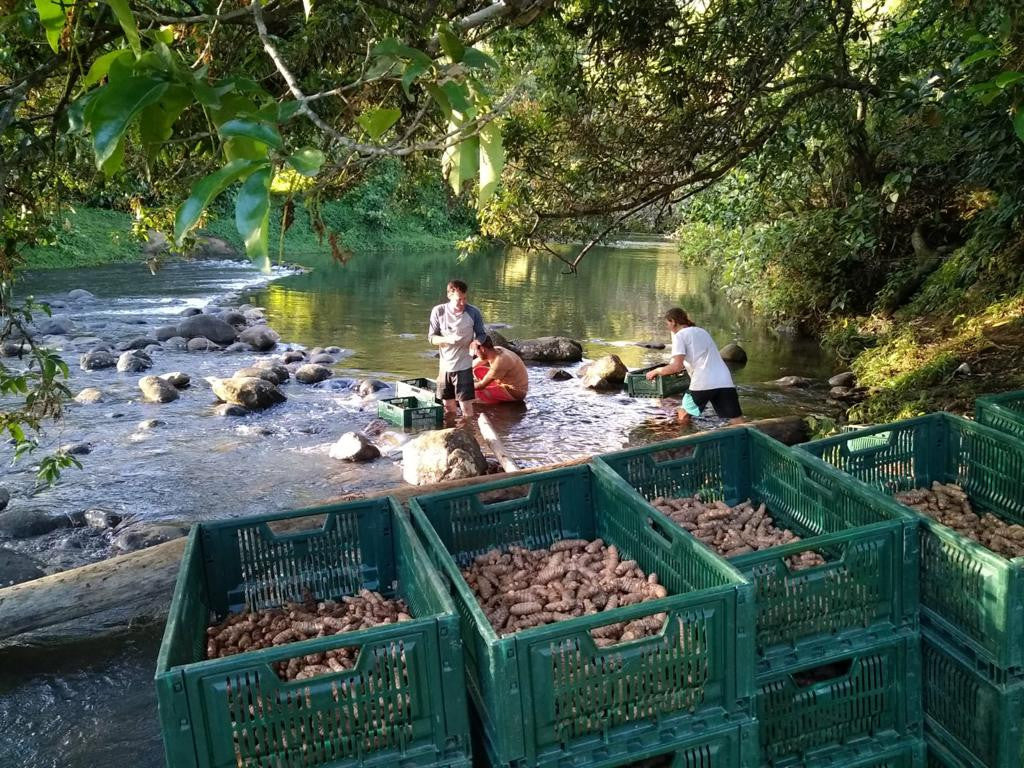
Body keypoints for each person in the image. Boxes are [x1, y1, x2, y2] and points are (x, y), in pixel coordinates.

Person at [646, 307, 745, 426]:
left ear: (672, 321)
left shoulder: (680, 336)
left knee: (683, 413)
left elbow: (676, 367)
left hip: (703, 382)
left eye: (667, 323)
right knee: (737, 421)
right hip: (725, 381)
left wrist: (656, 371)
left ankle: (685, 442)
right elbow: (698, 357)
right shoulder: (701, 331)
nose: (667, 327)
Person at [428, 279, 487, 419]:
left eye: (465, 298)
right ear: (449, 295)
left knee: (466, 406)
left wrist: (476, 342)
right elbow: (431, 338)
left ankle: (468, 433)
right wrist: (446, 339)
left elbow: (482, 334)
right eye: (459, 299)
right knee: (448, 406)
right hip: (445, 366)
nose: (462, 303)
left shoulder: (473, 312)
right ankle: (453, 431)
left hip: (464, 365)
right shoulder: (438, 311)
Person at [472, 336, 529, 404]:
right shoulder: (495, 350)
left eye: (475, 351)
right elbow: (474, 364)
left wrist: (461, 386)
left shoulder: (499, 362)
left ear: (482, 349)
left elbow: (481, 386)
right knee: (477, 370)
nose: (475, 354)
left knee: (473, 394)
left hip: (516, 393)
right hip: (508, 382)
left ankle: (491, 399)